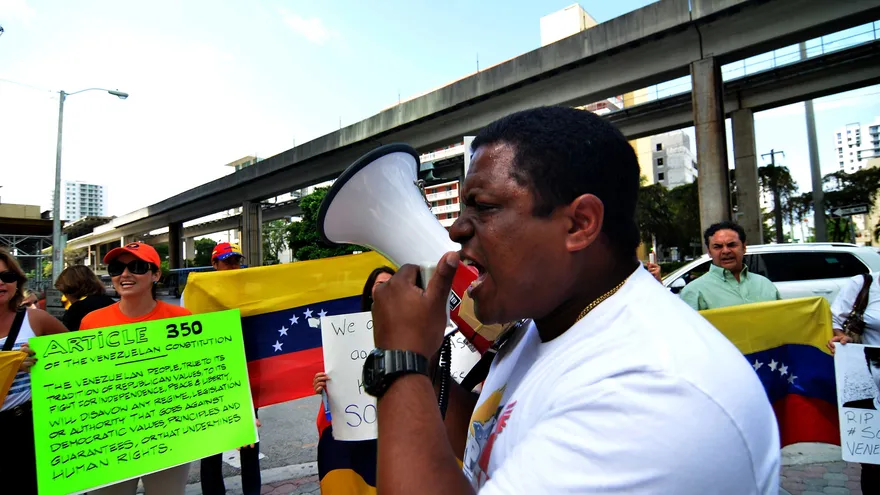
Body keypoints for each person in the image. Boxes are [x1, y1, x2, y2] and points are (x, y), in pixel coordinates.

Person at [366, 106, 779, 494]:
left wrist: (400, 361)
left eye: (484, 207)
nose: (456, 230)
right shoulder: (548, 322)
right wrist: (425, 366)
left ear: (580, 224)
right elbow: (493, 439)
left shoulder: (653, 394)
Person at [80, 242, 192, 495]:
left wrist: (238, 416)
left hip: (168, 432)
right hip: (110, 437)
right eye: (117, 268)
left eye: (137, 267)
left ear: (156, 275)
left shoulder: (182, 319)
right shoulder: (91, 322)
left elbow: (205, 376)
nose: (125, 274)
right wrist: (39, 361)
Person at [312, 266, 395, 494]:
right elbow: (339, 374)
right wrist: (324, 385)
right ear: (369, 292)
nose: (387, 288)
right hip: (359, 425)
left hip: (395, 427)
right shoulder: (347, 330)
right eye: (380, 284)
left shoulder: (411, 328)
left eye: (392, 283)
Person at [0, 248, 68, 495]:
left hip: (26, 428)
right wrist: (10, 363)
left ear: (17, 282)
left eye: (7, 276)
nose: (1, 283)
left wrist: (45, 360)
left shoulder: (36, 319)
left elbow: (76, 359)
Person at [199, 241, 263, 495]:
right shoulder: (198, 292)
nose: (233, 265)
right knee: (211, 445)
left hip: (244, 376)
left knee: (249, 442)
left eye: (236, 261)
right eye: (227, 261)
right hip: (211, 377)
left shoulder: (249, 290)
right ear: (214, 264)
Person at [827, 272, 880, 492]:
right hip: (870, 387)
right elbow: (835, 321)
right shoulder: (864, 284)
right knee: (874, 463)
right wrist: (842, 338)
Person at [679, 221, 780, 311]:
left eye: (731, 245)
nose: (726, 251)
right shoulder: (694, 292)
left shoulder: (765, 285)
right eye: (718, 247)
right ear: (709, 252)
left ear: (744, 248)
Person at [54, 264, 116, 330]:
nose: (64, 297)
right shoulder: (111, 303)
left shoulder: (77, 310)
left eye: (64, 293)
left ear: (71, 290)